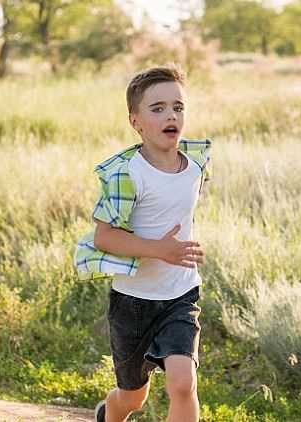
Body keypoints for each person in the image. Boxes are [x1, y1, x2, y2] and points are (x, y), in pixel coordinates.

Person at [73, 65, 211, 422]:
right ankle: (109, 413)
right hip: (132, 303)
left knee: (183, 385)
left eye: (178, 107)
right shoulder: (126, 174)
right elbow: (104, 236)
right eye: (158, 108)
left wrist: (183, 248)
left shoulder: (196, 165)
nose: (171, 115)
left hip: (181, 295)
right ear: (136, 121)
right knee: (133, 397)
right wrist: (160, 249)